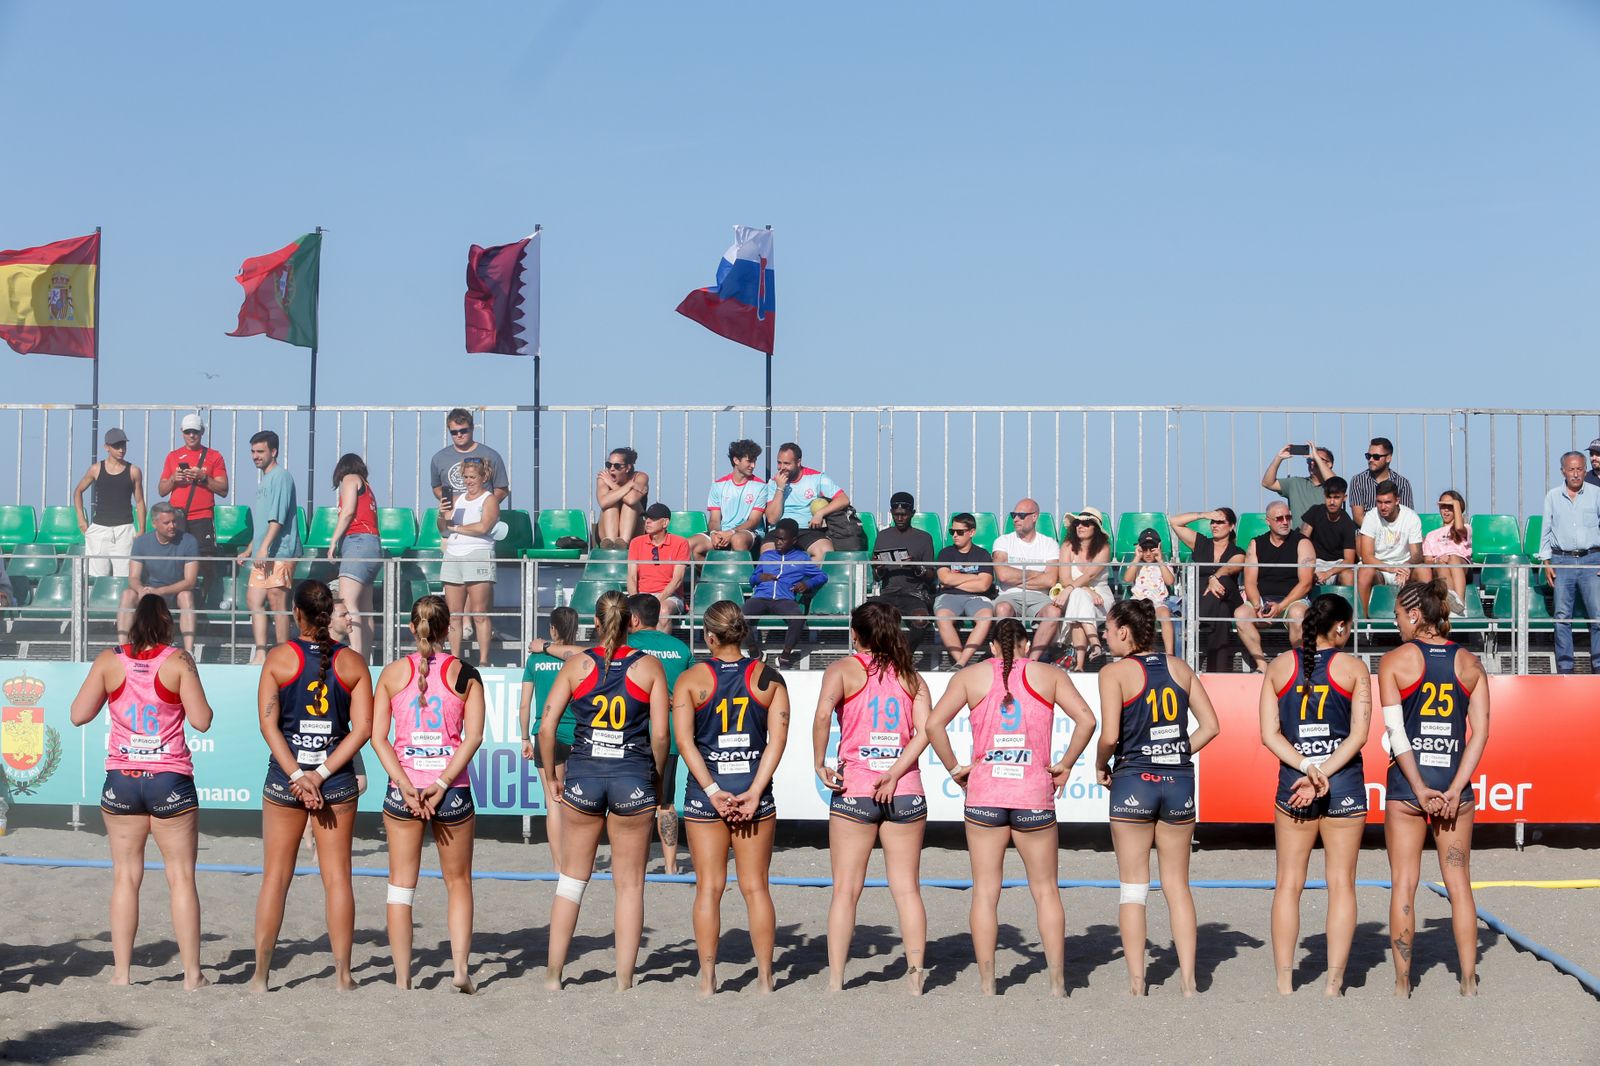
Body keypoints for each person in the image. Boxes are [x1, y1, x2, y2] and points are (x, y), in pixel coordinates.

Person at [880, 617, 1096, 997]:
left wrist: (954, 769)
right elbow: (1087, 720)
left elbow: (933, 725)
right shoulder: (1048, 675)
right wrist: (1065, 764)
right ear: (1027, 645)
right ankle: (1058, 984)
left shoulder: (971, 676)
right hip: (1032, 793)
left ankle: (987, 984)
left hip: (985, 793)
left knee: (984, 891)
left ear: (992, 646)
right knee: (1046, 890)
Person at [812, 601, 959, 994]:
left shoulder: (842, 669)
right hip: (905, 788)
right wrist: (895, 770)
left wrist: (819, 762)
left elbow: (823, 716)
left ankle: (836, 980)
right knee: (907, 888)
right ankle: (915, 980)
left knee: (845, 890)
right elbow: (926, 731)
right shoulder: (912, 677)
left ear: (856, 634)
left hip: (856, 786)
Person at [69, 594, 214, 990]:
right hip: (168, 776)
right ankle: (191, 975)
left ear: (133, 623)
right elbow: (202, 720)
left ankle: (121, 974)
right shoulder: (178, 660)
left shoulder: (109, 660)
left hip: (122, 777)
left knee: (125, 877)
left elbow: (78, 714)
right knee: (181, 877)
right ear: (166, 624)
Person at [540, 590, 670, 990]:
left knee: (571, 880)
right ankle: (624, 979)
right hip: (632, 775)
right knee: (629, 885)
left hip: (583, 774)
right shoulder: (648, 667)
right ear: (633, 622)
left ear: (594, 623)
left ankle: (553, 975)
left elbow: (546, 728)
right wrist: (657, 776)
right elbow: (661, 735)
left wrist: (552, 776)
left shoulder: (576, 664)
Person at [249, 580, 374, 992]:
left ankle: (260, 976)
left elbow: (269, 725)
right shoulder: (353, 663)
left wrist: (299, 775)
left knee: (275, 878)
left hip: (287, 779)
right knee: (338, 878)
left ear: (296, 614)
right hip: (334, 779)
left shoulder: (279, 659)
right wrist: (320, 774)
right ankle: (343, 975)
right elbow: (363, 731)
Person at [1097, 599, 1221, 997]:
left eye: (1106, 628)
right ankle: (1188, 982)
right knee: (1178, 886)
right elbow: (1212, 726)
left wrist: (1101, 765)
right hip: (1179, 779)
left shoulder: (1114, 673)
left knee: (1133, 888)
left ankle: (1138, 984)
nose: (1102, 634)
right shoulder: (1180, 667)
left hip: (1135, 778)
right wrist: (1178, 751)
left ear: (1124, 632)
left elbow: (1111, 736)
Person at [673, 600, 791, 996]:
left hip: (709, 791)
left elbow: (684, 743)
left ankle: (707, 979)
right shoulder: (769, 677)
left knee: (708, 887)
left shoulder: (692, 679)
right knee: (756, 887)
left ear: (709, 636)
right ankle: (765, 977)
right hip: (752, 790)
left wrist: (711, 790)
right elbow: (778, 742)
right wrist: (756, 790)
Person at [370, 594, 486, 993]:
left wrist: (404, 783)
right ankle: (459, 970)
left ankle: (402, 979)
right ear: (448, 627)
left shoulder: (390, 674)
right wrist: (439, 783)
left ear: (410, 627)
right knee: (459, 883)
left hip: (404, 791)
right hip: (450, 790)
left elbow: (378, 738)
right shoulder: (465, 673)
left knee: (401, 885)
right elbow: (474, 739)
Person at [1380, 578, 1490, 997]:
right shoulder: (1470, 663)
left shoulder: (1395, 661)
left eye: (1397, 616)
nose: (1395, 624)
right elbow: (1479, 733)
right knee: (1459, 884)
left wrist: (1419, 787)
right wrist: (1457, 787)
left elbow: (1395, 733)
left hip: (1410, 786)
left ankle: (1402, 984)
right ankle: (1467, 980)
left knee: (1403, 883)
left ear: (1414, 614)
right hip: (1453, 785)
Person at [1258, 593, 1370, 996]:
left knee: (1288, 883)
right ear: (1339, 626)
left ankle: (1286, 982)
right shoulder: (1354, 668)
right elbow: (1358, 736)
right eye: (1350, 625)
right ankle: (1333, 984)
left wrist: (1307, 768)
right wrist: (1322, 770)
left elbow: (1269, 735)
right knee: (1342, 884)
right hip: (1342, 779)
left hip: (1295, 780)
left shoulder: (1279, 667)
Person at [627, 594, 693, 876]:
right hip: (671, 735)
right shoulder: (680, 649)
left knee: (634, 804)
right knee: (666, 802)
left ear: (634, 618)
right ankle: (670, 864)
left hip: (635, 733)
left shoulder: (625, 646)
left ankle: (637, 864)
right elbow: (693, 693)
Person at [521, 606, 583, 868]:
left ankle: (559, 865)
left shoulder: (535, 661)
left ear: (553, 629)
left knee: (552, 801)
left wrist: (524, 737)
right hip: (576, 731)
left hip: (546, 732)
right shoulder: (580, 658)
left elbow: (525, 704)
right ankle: (574, 860)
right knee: (575, 799)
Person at [1536, 452, 1600, 675]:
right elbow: (1545, 529)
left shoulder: (1596, 494)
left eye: (1580, 469)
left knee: (1598, 616)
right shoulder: (1552, 496)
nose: (1576, 474)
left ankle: (1599, 667)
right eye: (1571, 469)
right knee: (1562, 617)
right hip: (1561, 559)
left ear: (1585, 470)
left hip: (1592, 559)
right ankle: (1565, 667)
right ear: (1563, 470)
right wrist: (1546, 562)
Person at [239, 430, 300, 665]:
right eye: (253, 452)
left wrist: (264, 548)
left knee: (277, 600)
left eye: (260, 451)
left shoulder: (282, 477)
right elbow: (264, 523)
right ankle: (261, 652)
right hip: (264, 552)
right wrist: (250, 548)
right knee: (254, 600)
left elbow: (278, 519)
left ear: (273, 452)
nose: (255, 456)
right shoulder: (265, 479)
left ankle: (283, 655)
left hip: (282, 551)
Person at [1234, 501, 1315, 673]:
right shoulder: (1256, 544)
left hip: (1293, 600)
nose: (1285, 522)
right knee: (1241, 614)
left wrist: (1280, 607)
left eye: (1288, 517)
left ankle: (1299, 666)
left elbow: (1306, 583)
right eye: (1279, 518)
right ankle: (1262, 666)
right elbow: (1249, 582)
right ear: (1268, 521)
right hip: (1263, 600)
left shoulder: (1303, 543)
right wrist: (1257, 606)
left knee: (1298, 615)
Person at [438, 457, 499, 665]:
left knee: (479, 613)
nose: (469, 481)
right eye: (465, 477)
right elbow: (443, 528)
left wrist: (457, 528)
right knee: (454, 615)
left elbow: (483, 527)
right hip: (454, 555)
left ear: (483, 477)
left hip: (478, 554)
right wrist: (442, 515)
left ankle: (483, 661)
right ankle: (455, 659)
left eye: (473, 477)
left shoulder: (489, 499)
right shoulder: (457, 499)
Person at [1172, 509, 1248, 672]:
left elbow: (1231, 568)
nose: (1215, 525)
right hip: (1210, 600)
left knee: (1225, 580)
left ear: (1231, 526)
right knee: (1221, 612)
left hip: (1229, 596)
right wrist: (1204, 515)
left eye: (1220, 522)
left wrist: (1214, 578)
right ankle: (1217, 672)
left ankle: (1196, 620)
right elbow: (1175, 522)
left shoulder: (1238, 552)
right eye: (1213, 522)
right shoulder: (1200, 543)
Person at [118, 502, 199, 653]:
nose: (172, 526)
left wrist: (160, 591)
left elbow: (190, 581)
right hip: (150, 594)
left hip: (175, 593)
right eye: (166, 522)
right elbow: (133, 577)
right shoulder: (141, 543)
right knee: (128, 594)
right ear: (154, 524)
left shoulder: (189, 541)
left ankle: (189, 652)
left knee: (186, 596)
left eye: (174, 521)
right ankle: (124, 649)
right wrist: (141, 590)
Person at [743, 518, 826, 666]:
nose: (778, 542)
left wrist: (807, 583)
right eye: (776, 538)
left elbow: (822, 576)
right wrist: (759, 577)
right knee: (738, 618)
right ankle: (754, 651)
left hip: (785, 599)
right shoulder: (766, 556)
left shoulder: (802, 558)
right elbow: (752, 580)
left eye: (782, 539)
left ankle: (785, 655)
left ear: (793, 540)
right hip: (761, 597)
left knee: (798, 618)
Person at [990, 498, 1062, 660]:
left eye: (1021, 515)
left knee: (1054, 611)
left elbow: (1050, 581)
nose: (1015, 519)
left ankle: (1031, 660)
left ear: (1034, 517)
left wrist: (1015, 575)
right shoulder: (1003, 541)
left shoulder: (1049, 544)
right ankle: (1006, 657)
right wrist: (1034, 574)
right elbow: (1002, 575)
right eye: (1013, 515)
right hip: (1009, 596)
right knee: (1002, 609)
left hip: (1040, 598)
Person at [325, 453, 381, 657]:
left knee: (347, 602)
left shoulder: (350, 478)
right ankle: (364, 657)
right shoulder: (366, 485)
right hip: (372, 543)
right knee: (364, 607)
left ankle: (356, 654)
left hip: (358, 542)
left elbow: (348, 512)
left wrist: (333, 542)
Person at [73, 427, 146, 579]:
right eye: (116, 446)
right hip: (99, 530)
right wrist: (81, 519)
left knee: (125, 578)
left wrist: (141, 529)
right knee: (97, 578)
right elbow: (78, 491)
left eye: (123, 445)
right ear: (106, 447)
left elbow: (139, 502)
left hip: (124, 530)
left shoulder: (134, 471)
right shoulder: (96, 469)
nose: (121, 449)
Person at [757, 442, 851, 562]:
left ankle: (806, 579)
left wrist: (820, 513)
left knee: (824, 550)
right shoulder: (773, 483)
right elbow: (772, 519)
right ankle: (780, 580)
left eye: (786, 463)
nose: (782, 467)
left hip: (807, 530)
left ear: (798, 462)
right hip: (779, 531)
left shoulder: (817, 478)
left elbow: (843, 499)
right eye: (779, 463)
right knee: (768, 554)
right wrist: (780, 488)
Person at [157, 413, 229, 567]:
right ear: (181, 432)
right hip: (177, 517)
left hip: (202, 517)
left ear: (202, 432)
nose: (191, 435)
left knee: (206, 561)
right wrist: (173, 480)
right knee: (176, 561)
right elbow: (162, 490)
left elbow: (223, 489)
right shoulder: (173, 456)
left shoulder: (214, 456)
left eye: (195, 432)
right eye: (187, 432)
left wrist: (203, 477)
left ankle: (204, 591)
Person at [870, 492, 937, 654]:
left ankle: (905, 655)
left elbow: (931, 576)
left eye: (904, 515)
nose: (900, 518)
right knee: (865, 614)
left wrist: (916, 567)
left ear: (912, 513)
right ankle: (878, 655)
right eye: (896, 514)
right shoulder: (883, 536)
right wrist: (878, 568)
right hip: (889, 593)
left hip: (914, 595)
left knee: (921, 618)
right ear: (891, 513)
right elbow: (876, 576)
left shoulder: (924, 538)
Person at [1054, 508, 1114, 670]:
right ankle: (1095, 644)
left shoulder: (1104, 548)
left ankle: (1079, 664)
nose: (1080, 526)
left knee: (1077, 602)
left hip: (1100, 596)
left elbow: (1089, 575)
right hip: (1077, 594)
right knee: (1079, 596)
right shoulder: (1067, 546)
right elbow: (1065, 578)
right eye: (1078, 523)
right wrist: (1088, 591)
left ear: (1095, 528)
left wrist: (1077, 590)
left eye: (1086, 524)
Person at [934, 512, 996, 668]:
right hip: (949, 596)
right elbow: (944, 578)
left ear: (972, 532)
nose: (955, 535)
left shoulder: (982, 555)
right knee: (943, 617)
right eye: (952, 531)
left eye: (960, 532)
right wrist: (974, 577)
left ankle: (961, 663)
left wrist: (953, 580)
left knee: (986, 617)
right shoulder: (945, 553)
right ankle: (961, 662)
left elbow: (983, 585)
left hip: (976, 597)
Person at [690, 438, 766, 560]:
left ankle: (743, 578)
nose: (753, 465)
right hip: (722, 533)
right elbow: (714, 520)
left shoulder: (761, 487)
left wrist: (731, 533)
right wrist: (714, 533)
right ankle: (714, 576)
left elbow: (753, 521)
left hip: (748, 533)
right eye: (750, 461)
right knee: (689, 545)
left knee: (738, 540)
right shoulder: (718, 485)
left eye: (755, 461)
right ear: (736, 460)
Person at [1356, 481, 1423, 614]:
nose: (1383, 507)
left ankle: (1425, 621)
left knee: (1424, 571)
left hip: (1404, 568)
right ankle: (1362, 623)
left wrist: (1406, 566)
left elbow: (1417, 555)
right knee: (1365, 572)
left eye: (1387, 502)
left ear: (1397, 500)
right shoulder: (1370, 517)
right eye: (1379, 502)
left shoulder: (1411, 517)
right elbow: (1367, 557)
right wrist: (1391, 568)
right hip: (1379, 568)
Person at [626, 503, 689, 629]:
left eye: (653, 519)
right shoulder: (636, 542)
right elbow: (631, 577)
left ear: (665, 523)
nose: (647, 522)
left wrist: (655, 602)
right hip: (641, 595)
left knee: (663, 612)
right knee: (615, 610)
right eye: (646, 518)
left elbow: (677, 580)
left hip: (669, 596)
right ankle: (631, 648)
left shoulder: (680, 543)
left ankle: (659, 648)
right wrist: (636, 601)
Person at [430, 407, 508, 507]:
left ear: (472, 428)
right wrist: (450, 502)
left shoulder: (492, 456)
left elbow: (502, 489)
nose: (459, 435)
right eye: (454, 432)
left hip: (482, 516)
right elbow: (436, 487)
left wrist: (485, 506)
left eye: (463, 431)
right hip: (452, 516)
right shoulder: (438, 458)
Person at [1122, 528, 1178, 655]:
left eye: (1151, 550)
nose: (1148, 553)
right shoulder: (1135, 565)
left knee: (1164, 614)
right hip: (1139, 602)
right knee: (1135, 616)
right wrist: (1137, 557)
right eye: (1144, 549)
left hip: (1158, 602)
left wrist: (1160, 560)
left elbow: (1170, 581)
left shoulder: (1164, 564)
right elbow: (1127, 579)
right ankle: (1137, 651)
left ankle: (1170, 653)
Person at [1416, 490, 1472, 615]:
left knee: (1453, 558)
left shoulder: (1466, 527)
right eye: (1443, 507)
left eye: (1450, 507)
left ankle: (1460, 603)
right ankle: (1453, 608)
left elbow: (1458, 527)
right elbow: (1427, 559)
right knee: (1442, 566)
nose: (1446, 511)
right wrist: (1438, 560)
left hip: (1460, 565)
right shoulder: (1431, 535)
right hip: (1441, 566)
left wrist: (1456, 503)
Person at [1300, 476, 1357, 588]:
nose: (1332, 502)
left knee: (1348, 576)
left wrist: (1328, 573)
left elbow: (1349, 560)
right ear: (1324, 496)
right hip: (1315, 561)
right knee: (1302, 572)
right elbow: (1302, 540)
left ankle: (1348, 606)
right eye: (1328, 497)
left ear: (1344, 498)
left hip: (1338, 564)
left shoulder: (1348, 524)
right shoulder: (1315, 512)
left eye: (1336, 497)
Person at [1261, 442, 1336, 526]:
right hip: (1299, 537)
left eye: (1316, 459)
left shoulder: (1332, 487)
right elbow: (1267, 483)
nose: (1312, 463)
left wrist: (1317, 459)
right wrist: (1278, 458)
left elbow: (1336, 483)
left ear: (1329, 464)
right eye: (1310, 460)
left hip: (1325, 537)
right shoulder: (1295, 483)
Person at [1348, 437, 1414, 525]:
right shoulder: (1358, 481)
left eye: (1376, 457)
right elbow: (1358, 517)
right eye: (1368, 456)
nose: (1371, 460)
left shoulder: (1402, 483)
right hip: (1365, 534)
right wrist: (1378, 534)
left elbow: (1406, 516)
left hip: (1395, 534)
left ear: (1388, 458)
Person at [595, 446, 650, 550]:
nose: (611, 469)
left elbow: (631, 500)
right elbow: (603, 502)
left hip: (635, 531)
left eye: (617, 466)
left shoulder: (640, 477)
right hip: (605, 533)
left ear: (628, 468)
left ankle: (623, 543)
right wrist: (629, 486)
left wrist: (612, 484)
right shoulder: (604, 477)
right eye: (608, 465)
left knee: (630, 505)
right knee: (610, 503)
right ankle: (611, 543)